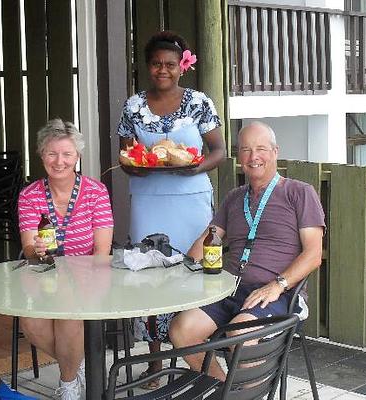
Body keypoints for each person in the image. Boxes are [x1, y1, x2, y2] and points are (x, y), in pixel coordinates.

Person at [169, 121, 325, 380]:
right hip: (229, 288)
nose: (254, 157)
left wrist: (277, 285)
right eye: (246, 150)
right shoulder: (234, 197)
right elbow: (209, 237)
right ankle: (222, 389)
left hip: (278, 293)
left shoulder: (299, 193)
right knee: (182, 330)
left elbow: (313, 254)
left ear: (275, 152)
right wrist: (180, 270)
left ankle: (245, 395)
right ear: (239, 156)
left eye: (261, 149)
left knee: (240, 333)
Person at [116, 30, 226, 388]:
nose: (162, 70)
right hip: (148, 202)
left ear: (182, 67)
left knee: (192, 275)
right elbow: (126, 154)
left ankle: (192, 352)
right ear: (147, 66)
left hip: (192, 201)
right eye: (155, 64)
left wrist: (195, 167)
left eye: (169, 64)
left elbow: (219, 151)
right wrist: (133, 165)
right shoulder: (132, 105)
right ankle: (153, 361)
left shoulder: (199, 102)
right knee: (148, 279)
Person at [17, 118, 114, 400]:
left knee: (68, 315)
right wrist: (36, 247)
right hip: (45, 275)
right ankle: (78, 364)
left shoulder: (96, 191)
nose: (59, 161)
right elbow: (28, 250)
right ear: (41, 155)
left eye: (67, 154)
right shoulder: (30, 195)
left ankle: (69, 384)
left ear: (78, 157)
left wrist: (87, 284)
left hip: (88, 274)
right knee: (31, 322)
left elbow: (102, 249)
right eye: (52, 153)